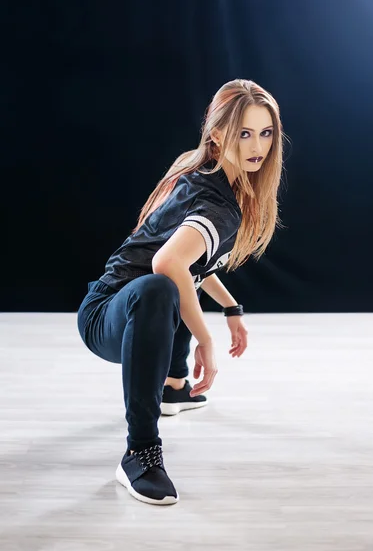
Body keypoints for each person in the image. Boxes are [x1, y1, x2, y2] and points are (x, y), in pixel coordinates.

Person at [76, 78, 285, 505]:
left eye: (265, 133)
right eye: (244, 133)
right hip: (106, 315)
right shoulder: (216, 204)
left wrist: (231, 307)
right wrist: (206, 341)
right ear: (217, 134)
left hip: (126, 307)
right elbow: (167, 264)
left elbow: (193, 265)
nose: (256, 146)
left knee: (172, 286)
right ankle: (140, 454)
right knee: (159, 287)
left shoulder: (208, 174)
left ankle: (173, 387)